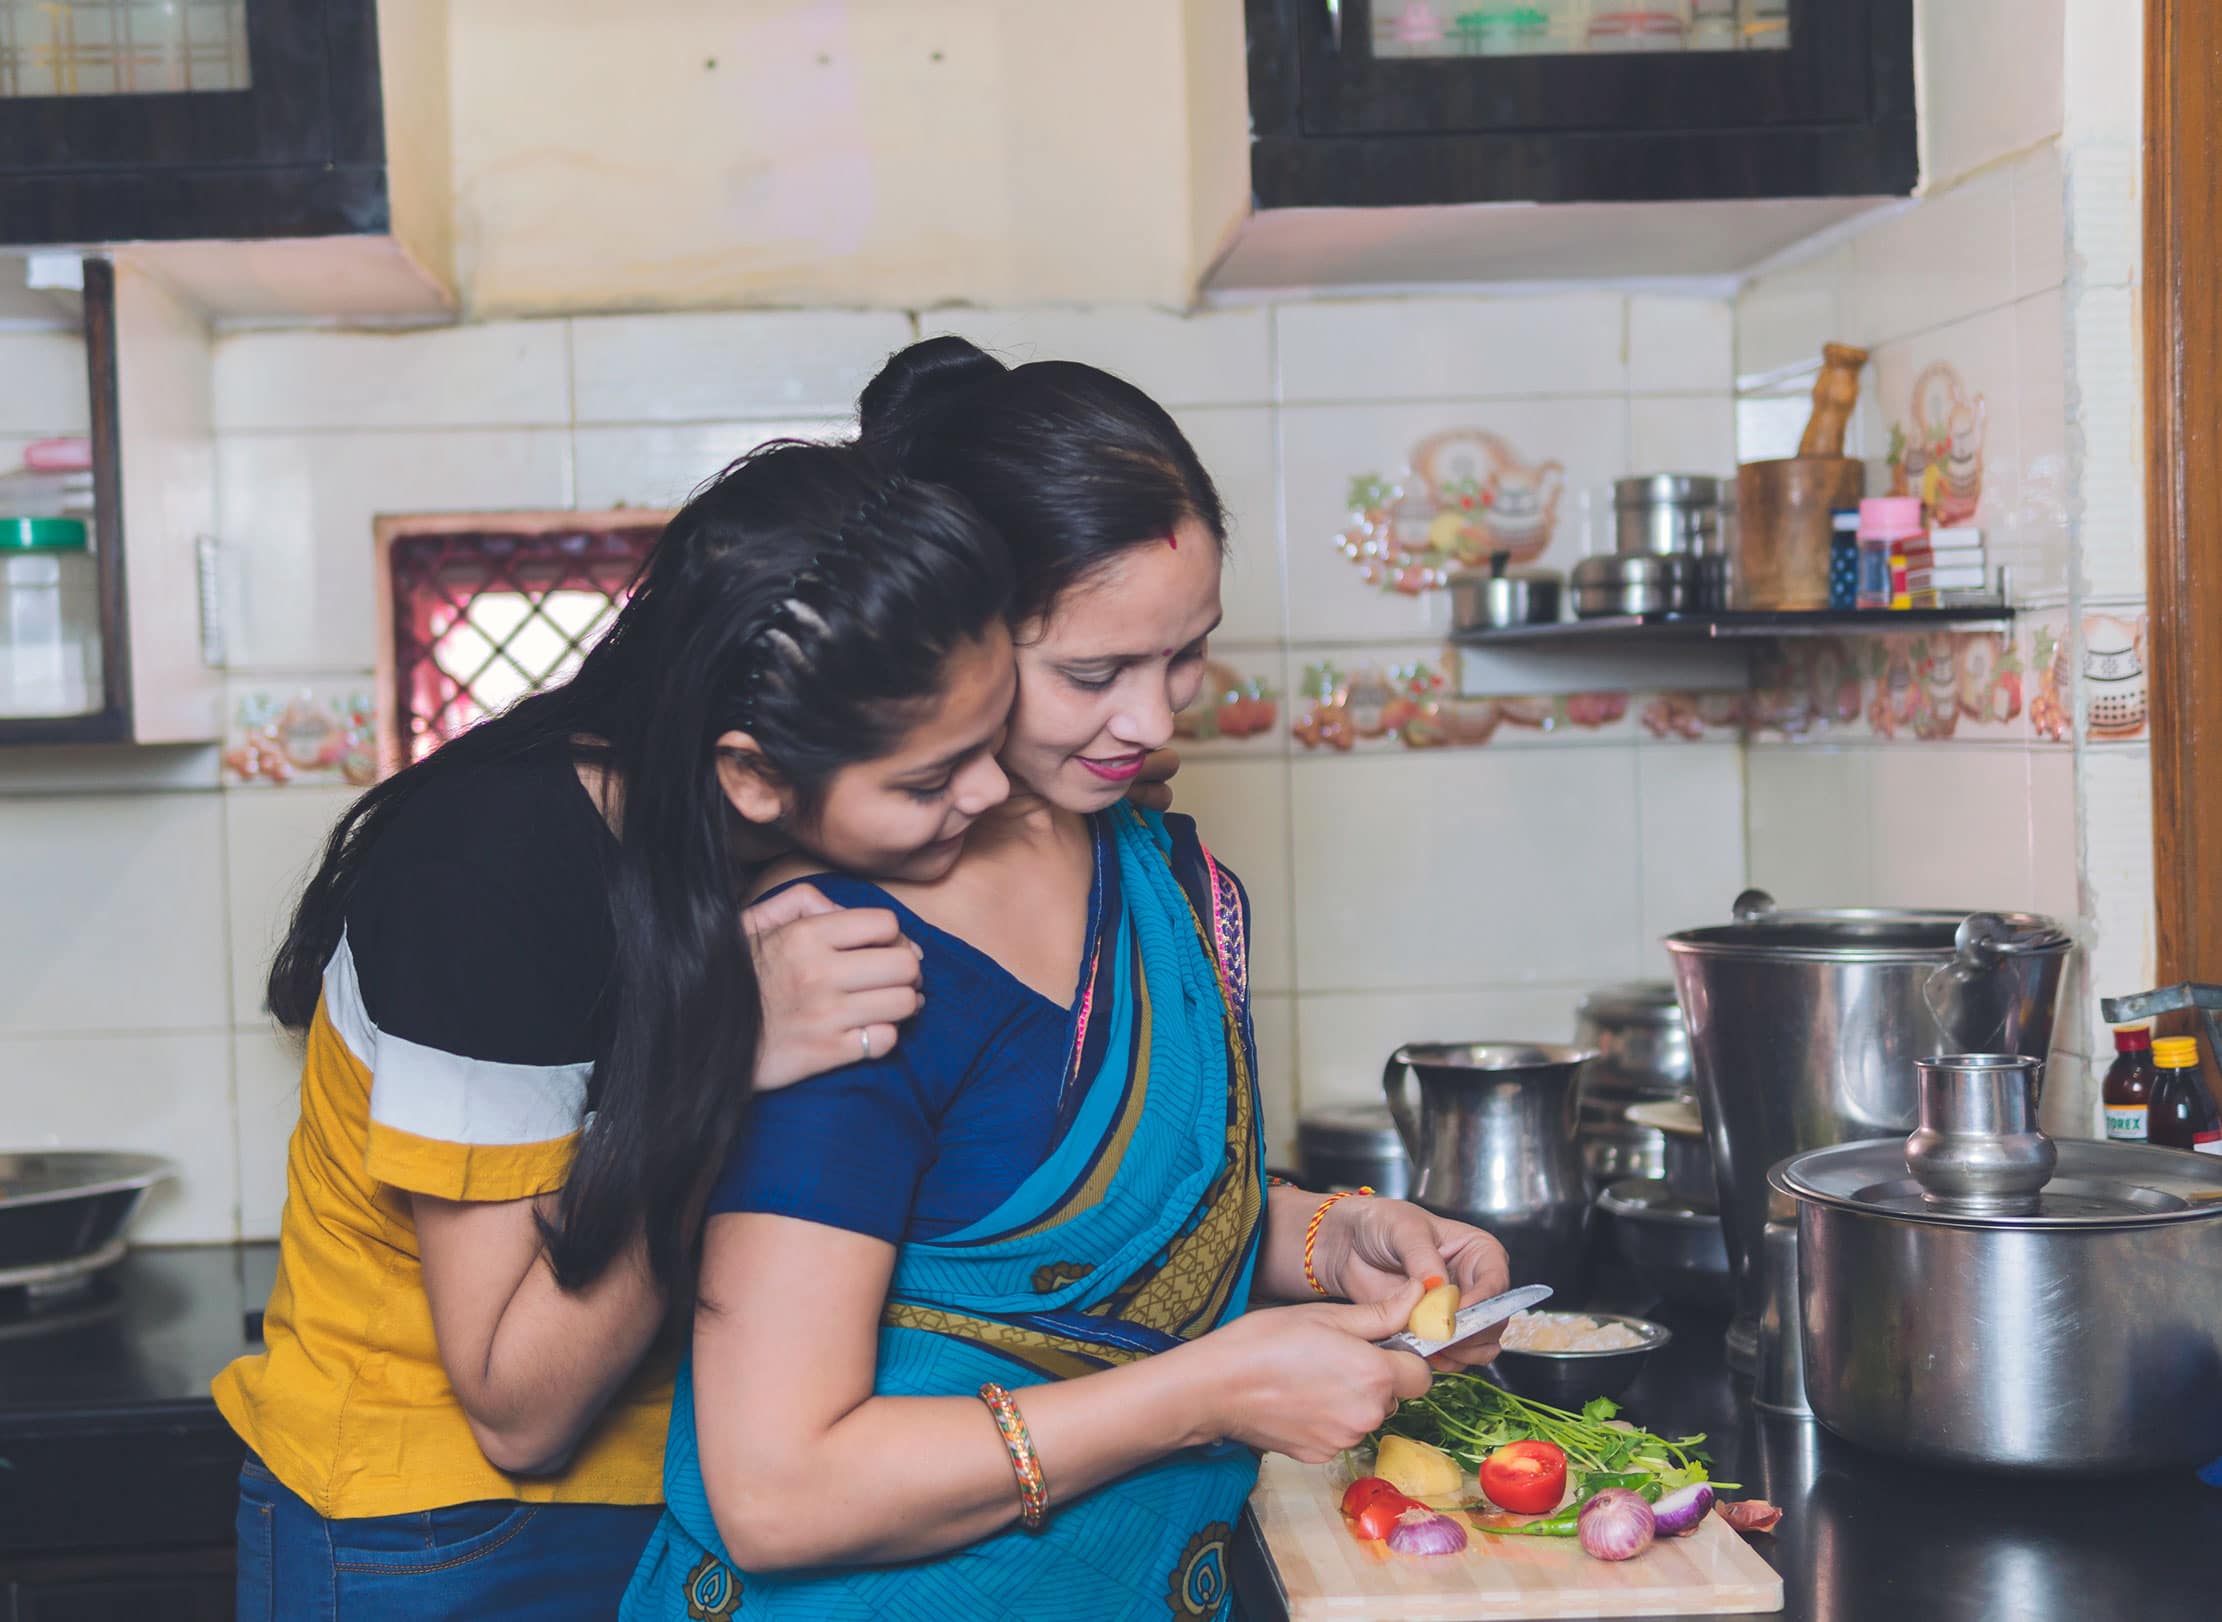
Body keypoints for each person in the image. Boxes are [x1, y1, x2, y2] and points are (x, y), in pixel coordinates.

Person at [621, 341, 1511, 1621]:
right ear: (963, 639)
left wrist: (1333, 1237)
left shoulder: (1158, 874)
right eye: (1092, 674)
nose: (1152, 720)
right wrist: (1202, 1390)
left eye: (1185, 654)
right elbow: (778, 1491)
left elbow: (1106, 1229)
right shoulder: (851, 962)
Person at [215, 440, 1034, 1619]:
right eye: (931, 778)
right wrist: (730, 1059)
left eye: (993, 740)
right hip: (431, 1525)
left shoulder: (741, 829)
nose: (991, 794)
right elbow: (516, 1401)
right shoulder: (489, 871)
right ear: (748, 772)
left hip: (674, 1484)